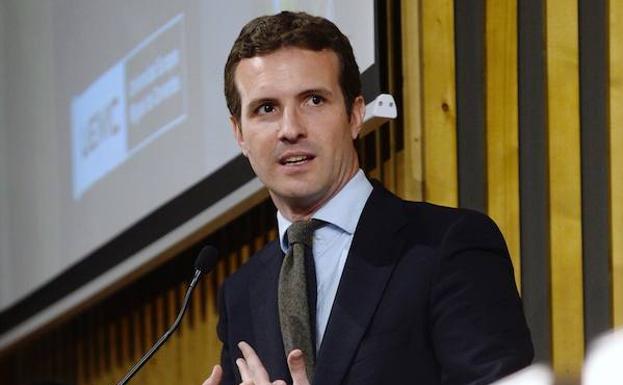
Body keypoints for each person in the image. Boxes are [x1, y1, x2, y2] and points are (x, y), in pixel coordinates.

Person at [203, 11, 533, 385]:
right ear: (239, 134)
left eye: (313, 100)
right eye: (266, 109)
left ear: (355, 114)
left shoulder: (447, 246)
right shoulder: (241, 294)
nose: (290, 129)